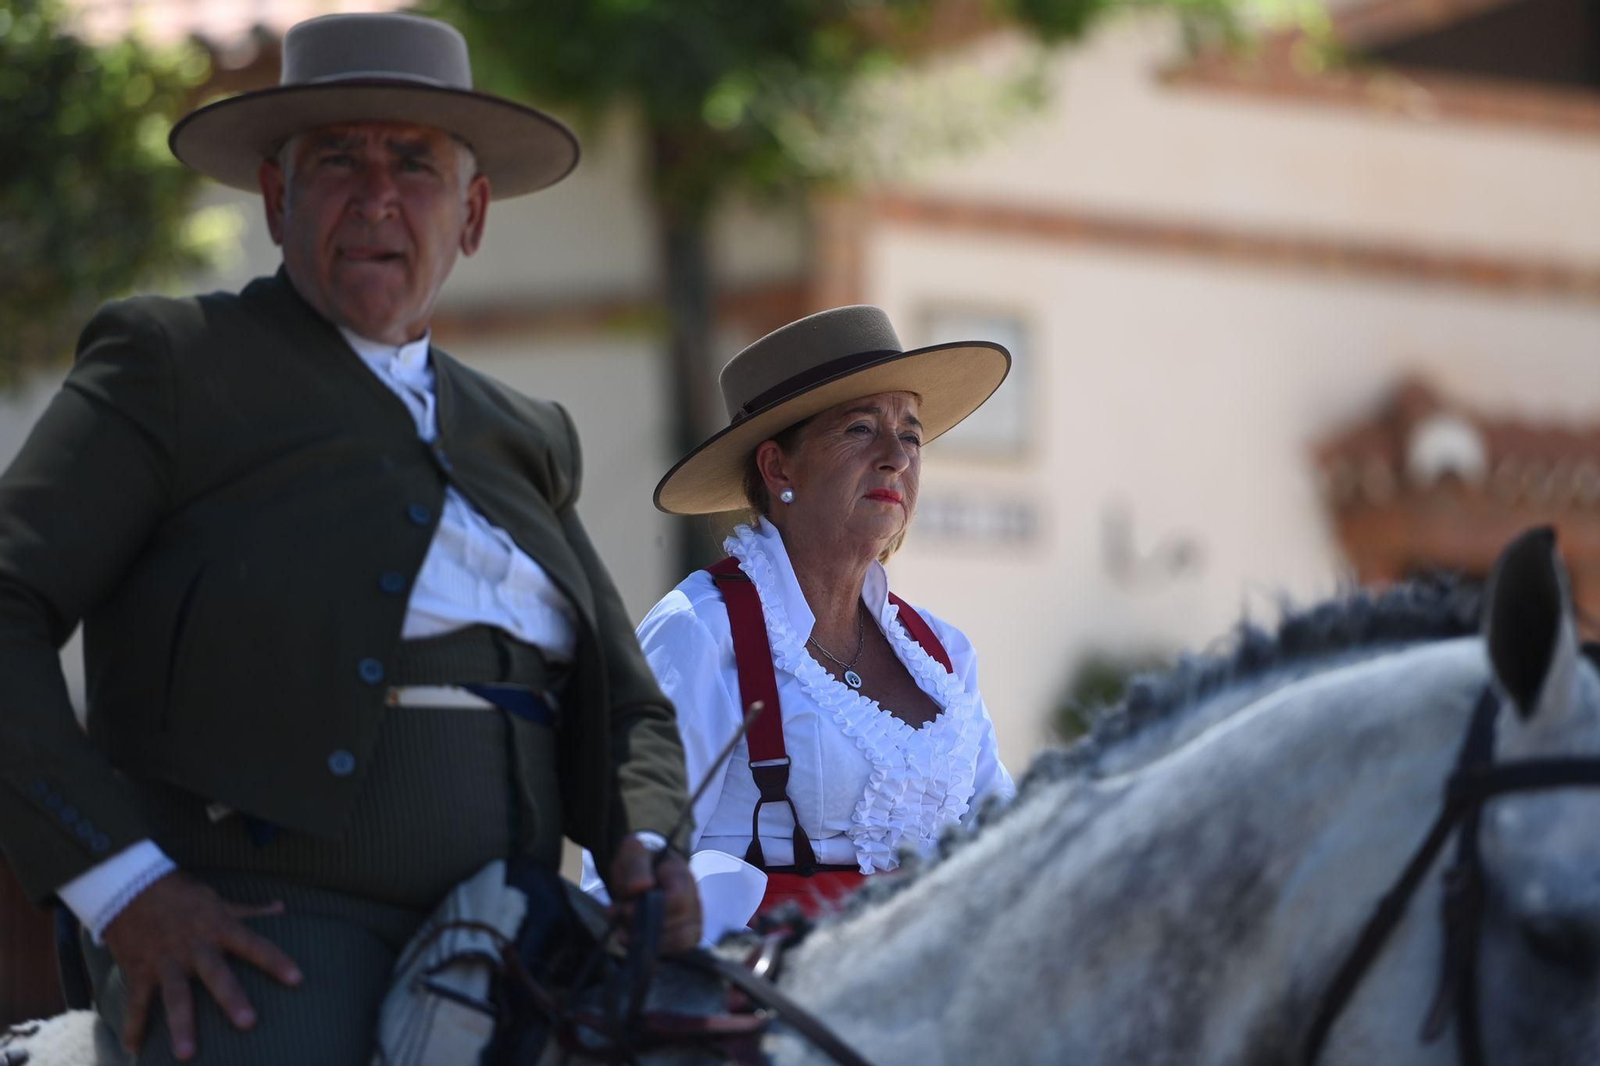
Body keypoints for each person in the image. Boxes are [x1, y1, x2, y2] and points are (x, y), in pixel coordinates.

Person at [0, 13, 698, 1064]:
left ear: (470, 214)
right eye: (337, 160)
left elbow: (625, 703)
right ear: (276, 198)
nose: (376, 196)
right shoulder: (174, 364)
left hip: (508, 926)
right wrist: (123, 887)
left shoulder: (525, 433)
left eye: (413, 163)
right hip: (257, 929)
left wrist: (646, 840)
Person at [624, 304, 1018, 937]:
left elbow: (1010, 841)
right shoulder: (700, 632)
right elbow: (629, 873)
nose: (896, 458)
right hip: (756, 988)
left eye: (911, 436)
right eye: (861, 428)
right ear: (777, 467)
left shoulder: (944, 654)